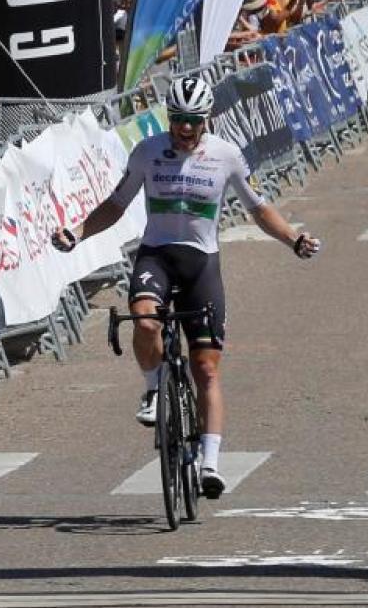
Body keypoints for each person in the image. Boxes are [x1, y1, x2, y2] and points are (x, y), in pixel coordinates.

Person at [51, 77, 320, 500]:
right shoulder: (147, 152)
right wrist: (77, 232)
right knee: (143, 319)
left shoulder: (226, 155)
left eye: (193, 121)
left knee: (207, 369)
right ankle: (154, 388)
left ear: (206, 119)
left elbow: (259, 208)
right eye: (177, 120)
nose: (185, 128)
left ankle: (210, 462)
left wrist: (294, 239)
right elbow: (115, 204)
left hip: (201, 266)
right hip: (157, 256)